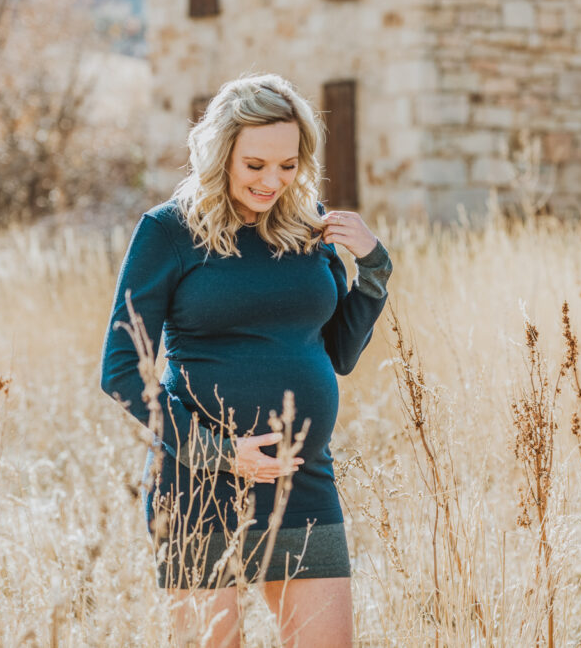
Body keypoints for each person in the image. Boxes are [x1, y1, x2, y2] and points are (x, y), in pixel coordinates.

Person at [99, 72, 392, 648]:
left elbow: (337, 352)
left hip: (302, 479)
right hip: (198, 486)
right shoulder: (169, 231)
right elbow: (121, 370)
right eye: (255, 164)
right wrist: (218, 452)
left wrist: (375, 269)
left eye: (288, 165)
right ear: (221, 152)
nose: (273, 181)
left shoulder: (308, 226)